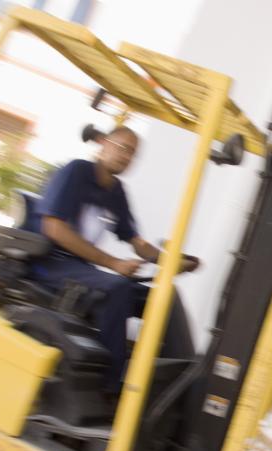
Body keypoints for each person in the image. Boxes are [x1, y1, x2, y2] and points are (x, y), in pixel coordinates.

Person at [30, 125, 199, 392]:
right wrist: (113, 264)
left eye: (132, 154)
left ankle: (177, 386)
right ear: (103, 144)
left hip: (79, 268)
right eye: (122, 148)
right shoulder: (76, 172)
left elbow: (136, 241)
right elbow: (54, 228)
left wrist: (169, 261)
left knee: (159, 298)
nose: (126, 157)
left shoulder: (117, 191)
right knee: (117, 287)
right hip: (51, 263)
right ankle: (110, 386)